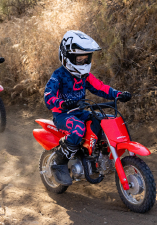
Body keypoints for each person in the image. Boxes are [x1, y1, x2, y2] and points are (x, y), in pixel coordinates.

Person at [44, 30, 132, 186]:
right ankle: (59, 162)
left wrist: (118, 94)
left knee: (102, 119)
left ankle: (92, 155)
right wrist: (61, 103)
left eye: (86, 58)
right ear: (67, 56)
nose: (84, 62)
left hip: (80, 112)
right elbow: (48, 96)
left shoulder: (85, 76)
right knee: (78, 128)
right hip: (63, 115)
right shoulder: (58, 75)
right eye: (79, 59)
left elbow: (101, 88)